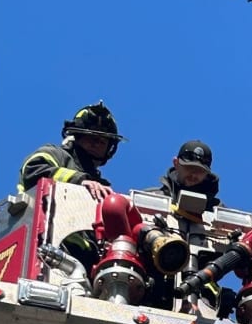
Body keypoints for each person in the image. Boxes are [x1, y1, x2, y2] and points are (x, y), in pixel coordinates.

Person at [17, 102, 126, 273]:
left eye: (102, 141)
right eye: (91, 138)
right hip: (49, 246)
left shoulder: (103, 186)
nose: (96, 144)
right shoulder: (56, 154)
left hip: (88, 260)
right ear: (77, 136)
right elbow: (33, 170)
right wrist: (78, 180)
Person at [146, 140, 221, 209]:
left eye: (200, 171)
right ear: (176, 163)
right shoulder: (151, 198)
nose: (194, 175)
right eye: (189, 168)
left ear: (207, 174)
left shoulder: (219, 211)